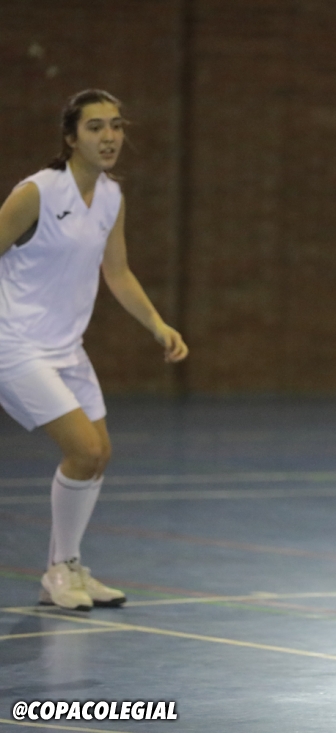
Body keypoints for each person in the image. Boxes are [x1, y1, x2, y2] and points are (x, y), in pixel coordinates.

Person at [0, 89, 189, 611]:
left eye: (117, 126)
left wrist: (157, 324)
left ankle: (66, 569)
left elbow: (118, 272)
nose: (109, 137)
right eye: (95, 127)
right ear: (70, 137)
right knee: (82, 451)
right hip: (15, 344)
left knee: (99, 456)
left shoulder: (110, 197)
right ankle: (59, 570)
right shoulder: (37, 193)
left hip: (67, 348)